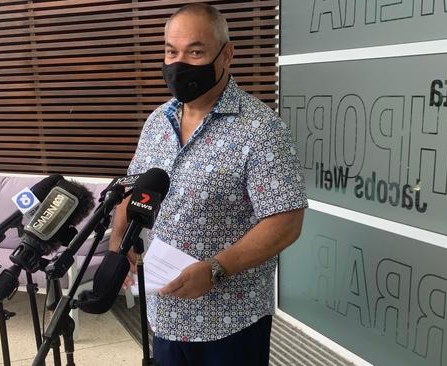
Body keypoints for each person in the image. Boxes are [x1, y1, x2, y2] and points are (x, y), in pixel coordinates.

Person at [109, 3, 307, 365]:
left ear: (226, 54)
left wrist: (216, 268)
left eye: (195, 51)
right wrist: (117, 243)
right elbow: (132, 189)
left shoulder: (261, 129)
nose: (179, 63)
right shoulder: (157, 121)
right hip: (165, 313)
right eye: (171, 51)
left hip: (231, 322)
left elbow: (286, 221)